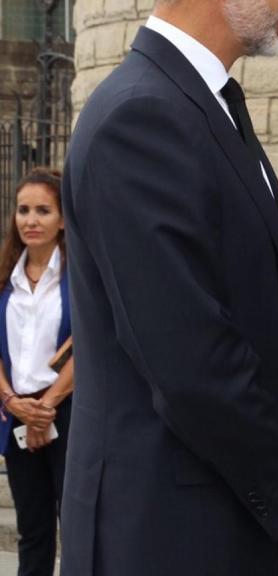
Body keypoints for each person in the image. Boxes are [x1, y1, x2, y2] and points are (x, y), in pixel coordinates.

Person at [60, 0, 278, 573]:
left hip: (222, 521)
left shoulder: (204, 102)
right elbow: (189, 360)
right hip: (166, 534)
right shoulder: (141, 116)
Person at [0, 168, 73, 576]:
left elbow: (86, 348)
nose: (30, 220)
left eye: (43, 210)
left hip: (66, 410)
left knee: (75, 524)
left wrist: (45, 408)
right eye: (23, 209)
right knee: (32, 529)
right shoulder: (4, 278)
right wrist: (14, 402)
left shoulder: (78, 277)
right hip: (15, 412)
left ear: (62, 219)